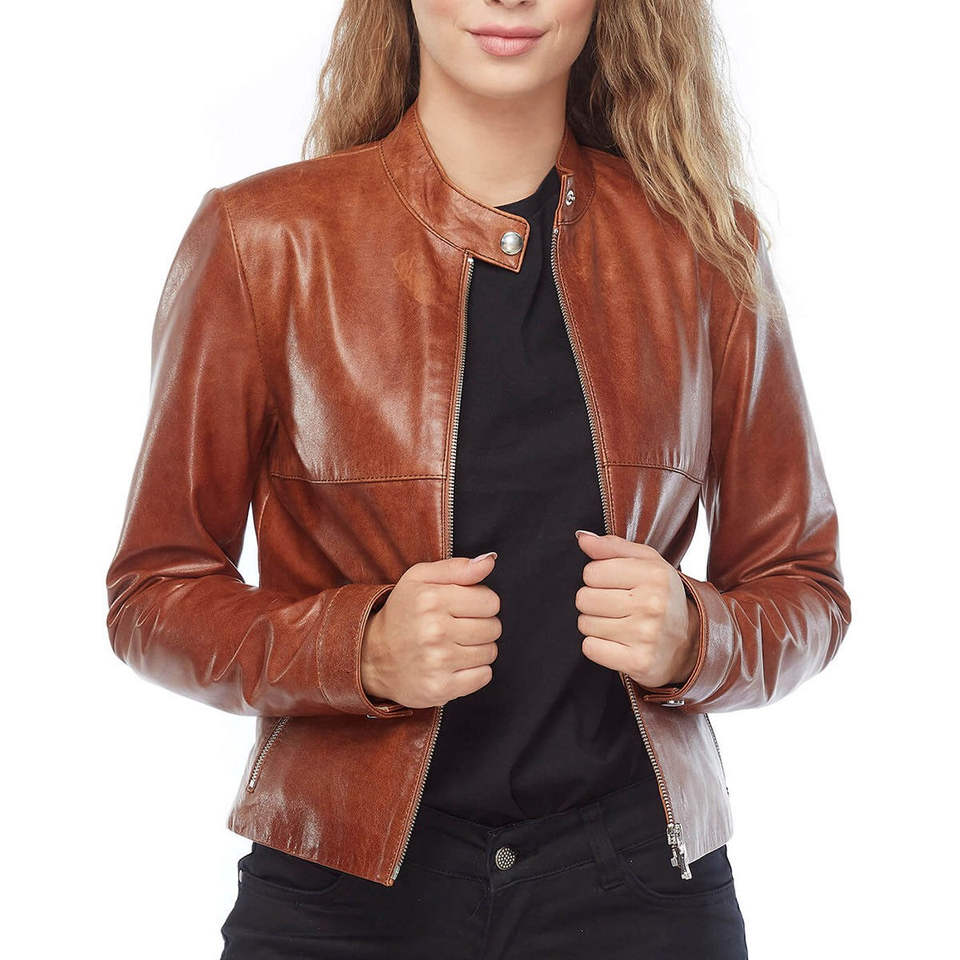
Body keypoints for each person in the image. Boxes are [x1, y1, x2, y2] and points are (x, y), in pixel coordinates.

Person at [104, 1, 852, 957]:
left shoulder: (706, 245)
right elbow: (153, 594)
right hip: (338, 893)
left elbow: (805, 588)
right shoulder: (264, 238)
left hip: (637, 889)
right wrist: (357, 649)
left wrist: (695, 638)